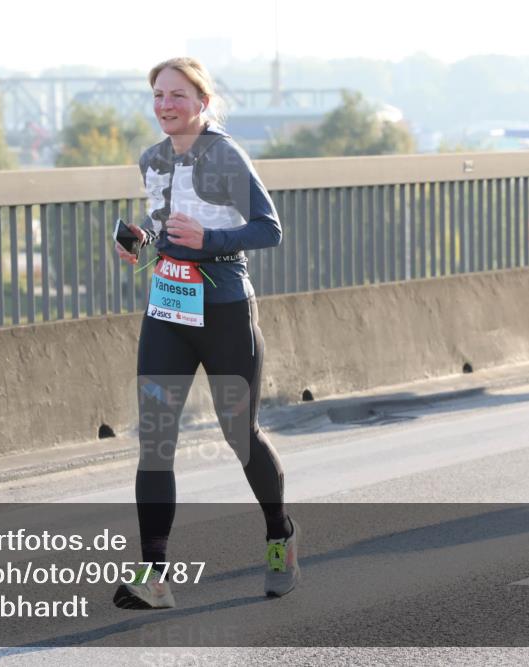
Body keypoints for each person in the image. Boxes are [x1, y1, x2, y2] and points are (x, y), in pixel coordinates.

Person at [112, 57, 300, 610]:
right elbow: (168, 230)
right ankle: (155, 576)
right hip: (168, 310)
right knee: (155, 441)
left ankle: (279, 537)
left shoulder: (224, 154)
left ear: (202, 102)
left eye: (177, 95)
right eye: (158, 96)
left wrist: (209, 238)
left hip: (222, 312)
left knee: (240, 435)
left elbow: (269, 229)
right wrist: (141, 242)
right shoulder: (152, 159)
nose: (165, 105)